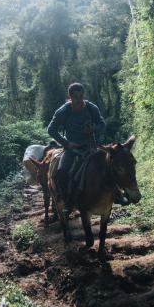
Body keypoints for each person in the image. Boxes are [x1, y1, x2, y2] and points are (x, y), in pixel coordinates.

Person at [47, 83, 105, 219]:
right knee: (61, 172)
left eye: (81, 96)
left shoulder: (92, 108)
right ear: (70, 97)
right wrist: (67, 143)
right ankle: (68, 203)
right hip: (72, 150)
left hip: (91, 147)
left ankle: (116, 194)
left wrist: (94, 129)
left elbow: (102, 124)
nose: (79, 100)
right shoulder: (63, 111)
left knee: (108, 165)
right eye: (75, 97)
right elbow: (51, 129)